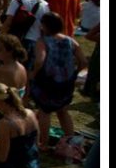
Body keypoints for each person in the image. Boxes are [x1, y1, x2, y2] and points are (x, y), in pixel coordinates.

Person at [29, 12, 88, 150]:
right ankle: (72, 141)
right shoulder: (70, 40)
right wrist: (75, 73)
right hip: (66, 82)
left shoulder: (43, 41)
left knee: (44, 111)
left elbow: (39, 60)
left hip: (48, 82)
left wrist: (33, 73)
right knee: (63, 111)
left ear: (45, 26)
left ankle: (44, 143)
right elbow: (84, 61)